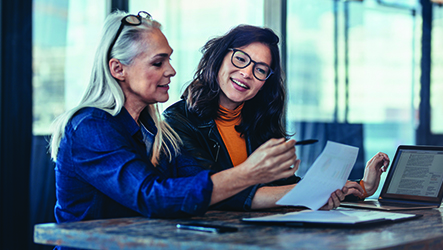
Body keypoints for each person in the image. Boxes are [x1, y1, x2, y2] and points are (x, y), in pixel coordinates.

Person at [49, 11, 345, 225]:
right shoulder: (91, 127)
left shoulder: (153, 128)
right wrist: (249, 173)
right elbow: (154, 197)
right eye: (158, 62)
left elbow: (189, 188)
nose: (171, 71)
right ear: (118, 69)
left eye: (169, 59)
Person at [163, 24, 390, 208]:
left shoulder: (260, 122)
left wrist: (361, 187)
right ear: (219, 57)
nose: (246, 73)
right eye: (241, 59)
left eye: (260, 69)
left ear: (265, 83)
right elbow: (216, 192)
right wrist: (312, 192)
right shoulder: (177, 121)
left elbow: (285, 187)